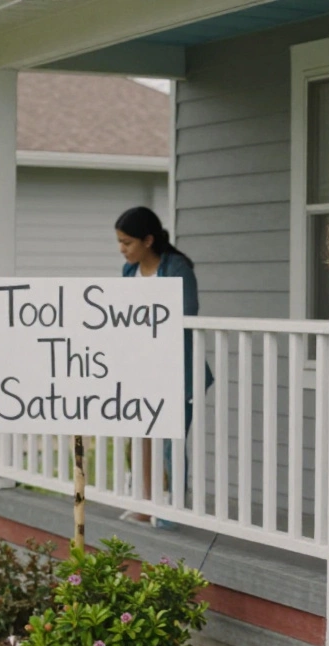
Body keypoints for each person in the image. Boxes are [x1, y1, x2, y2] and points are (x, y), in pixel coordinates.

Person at [114, 206, 212, 526]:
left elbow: (185, 314)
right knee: (141, 435)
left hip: (174, 368)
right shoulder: (129, 273)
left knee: (171, 438)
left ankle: (172, 511)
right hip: (140, 366)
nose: (122, 249)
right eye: (120, 242)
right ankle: (146, 502)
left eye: (127, 242)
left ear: (148, 240)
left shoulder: (177, 267)